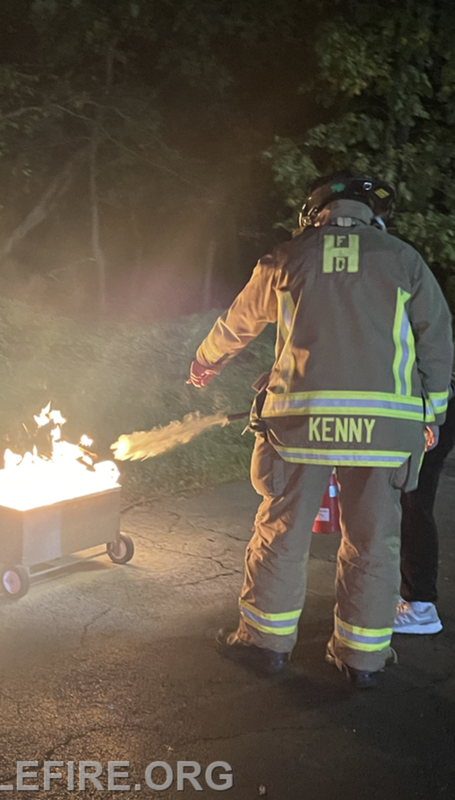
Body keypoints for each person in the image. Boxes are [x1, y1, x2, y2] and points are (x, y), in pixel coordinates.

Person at [188, 172, 453, 688]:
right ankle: (364, 660)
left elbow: (238, 322)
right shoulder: (403, 261)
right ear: (372, 216)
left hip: (299, 427)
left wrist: (205, 362)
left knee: (282, 533)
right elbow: (437, 342)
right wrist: (432, 416)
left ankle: (264, 644)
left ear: (316, 214)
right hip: (383, 433)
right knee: (373, 541)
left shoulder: (288, 257)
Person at [394, 380, 455, 634]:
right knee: (412, 498)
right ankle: (414, 598)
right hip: (434, 404)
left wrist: (433, 414)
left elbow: (435, 353)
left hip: (433, 406)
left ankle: (420, 604)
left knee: (414, 500)